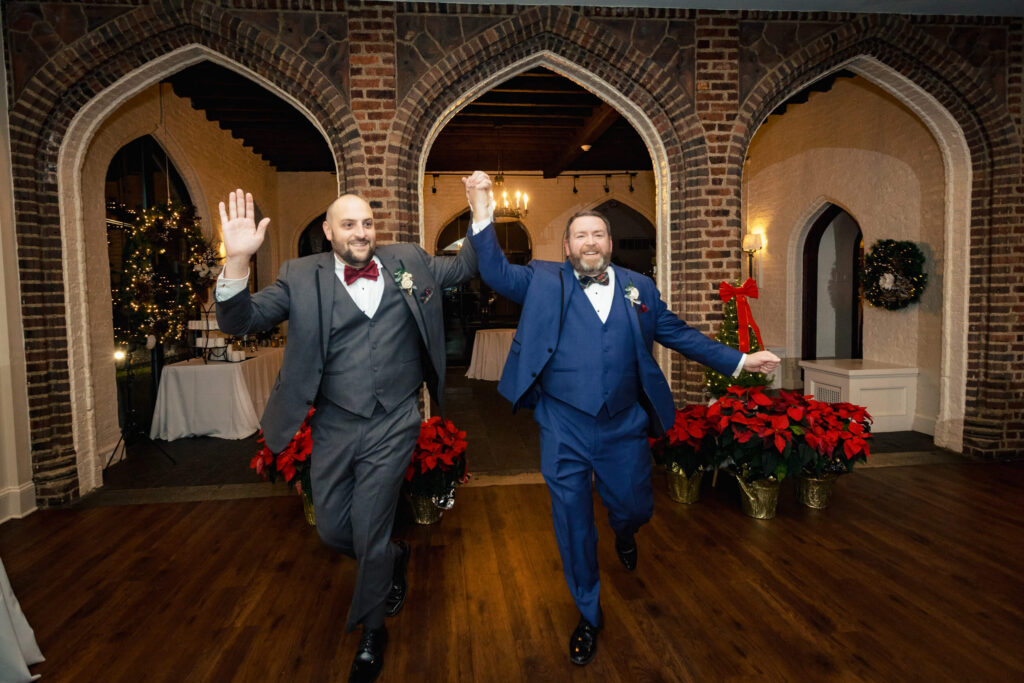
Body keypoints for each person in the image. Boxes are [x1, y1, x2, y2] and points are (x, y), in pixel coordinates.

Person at [461, 171, 780, 666]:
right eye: (581, 235)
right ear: (567, 246)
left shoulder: (639, 287)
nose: (590, 242)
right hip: (562, 423)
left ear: (609, 243)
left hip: (623, 422)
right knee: (572, 521)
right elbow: (498, 273)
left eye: (598, 234)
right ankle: (589, 613)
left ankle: (626, 532)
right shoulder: (544, 280)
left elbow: (678, 333)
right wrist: (481, 207)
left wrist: (740, 361)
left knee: (634, 506)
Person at [215, 189, 477, 683]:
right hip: (334, 420)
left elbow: (463, 268)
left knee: (371, 524)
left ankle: (373, 630)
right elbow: (239, 322)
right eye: (349, 225)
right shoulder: (299, 275)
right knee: (333, 529)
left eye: (367, 223)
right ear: (329, 232)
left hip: (395, 417)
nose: (361, 232)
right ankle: (395, 558)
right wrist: (238, 260)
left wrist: (482, 214)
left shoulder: (409, 261)